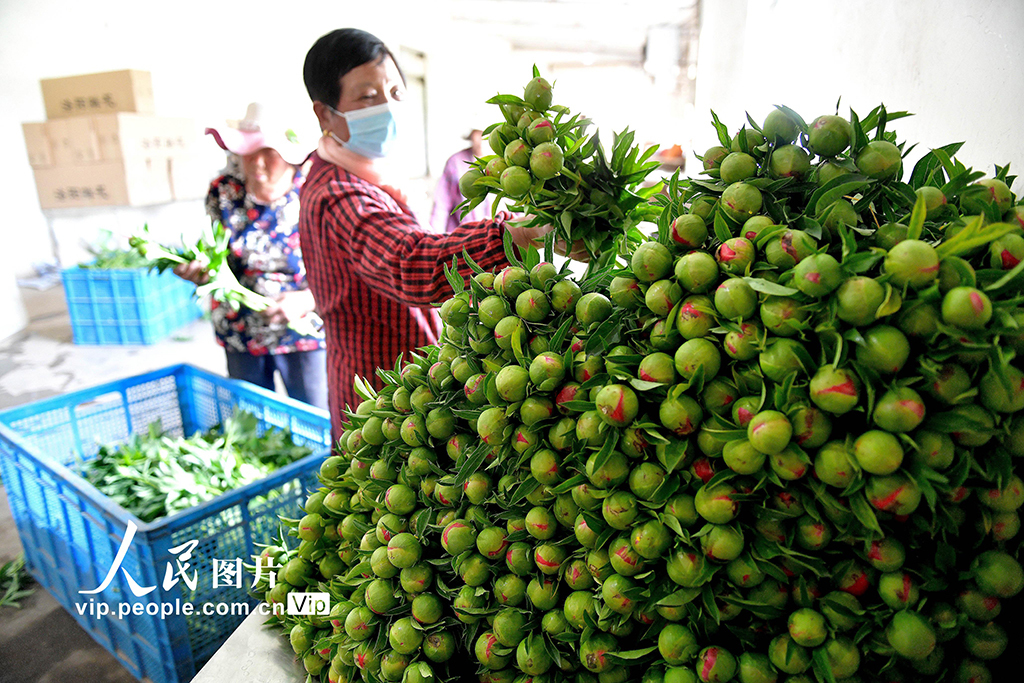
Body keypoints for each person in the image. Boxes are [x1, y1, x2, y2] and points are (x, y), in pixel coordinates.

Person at [299, 28, 556, 442]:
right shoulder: (338, 195)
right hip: (379, 404)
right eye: (367, 97)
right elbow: (411, 262)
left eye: (396, 92)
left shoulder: (371, 178)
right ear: (325, 114)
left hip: (415, 391)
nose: (388, 107)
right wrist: (515, 236)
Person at [174, 103, 328, 410]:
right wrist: (204, 270)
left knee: (315, 412)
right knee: (253, 419)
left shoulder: (316, 191)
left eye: (268, 153)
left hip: (304, 331)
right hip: (241, 328)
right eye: (248, 152)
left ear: (291, 157)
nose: (257, 163)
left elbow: (344, 269)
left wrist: (308, 300)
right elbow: (216, 252)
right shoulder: (224, 191)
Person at [429, 128, 493, 233]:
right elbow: (441, 206)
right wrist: (434, 238)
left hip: (495, 236)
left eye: (486, 134)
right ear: (471, 135)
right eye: (478, 134)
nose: (481, 139)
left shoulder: (503, 162)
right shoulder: (456, 162)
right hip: (463, 236)